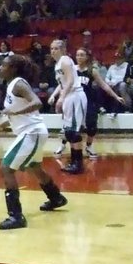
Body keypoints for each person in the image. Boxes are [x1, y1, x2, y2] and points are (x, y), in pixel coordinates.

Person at [0, 55, 67, 230]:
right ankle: (56, 198)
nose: (0, 68)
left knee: (6, 168)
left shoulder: (18, 84)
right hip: (33, 132)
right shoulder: (11, 86)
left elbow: (37, 102)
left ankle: (16, 216)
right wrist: (2, 126)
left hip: (32, 133)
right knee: (35, 168)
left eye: (4, 66)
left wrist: (15, 113)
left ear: (13, 69)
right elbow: (22, 116)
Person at [56, 48, 126, 159]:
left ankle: (89, 146)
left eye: (82, 55)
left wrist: (116, 96)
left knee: (91, 125)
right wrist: (54, 96)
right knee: (69, 125)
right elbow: (62, 84)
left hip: (88, 100)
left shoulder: (91, 70)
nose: (79, 57)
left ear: (87, 57)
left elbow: (103, 85)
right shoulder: (71, 69)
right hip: (73, 99)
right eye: (77, 55)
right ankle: (62, 145)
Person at [47, 38, 87, 174]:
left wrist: (62, 97)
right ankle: (74, 161)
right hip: (69, 96)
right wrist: (54, 95)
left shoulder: (65, 60)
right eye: (51, 48)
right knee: (69, 131)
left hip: (75, 95)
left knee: (74, 132)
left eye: (56, 48)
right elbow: (62, 83)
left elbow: (70, 80)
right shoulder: (57, 64)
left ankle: (78, 164)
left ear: (63, 49)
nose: (53, 51)